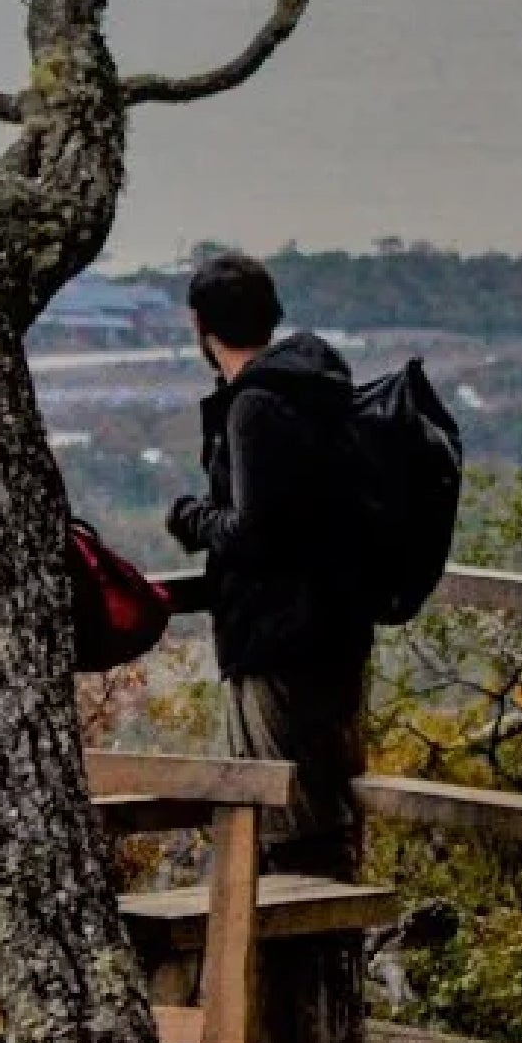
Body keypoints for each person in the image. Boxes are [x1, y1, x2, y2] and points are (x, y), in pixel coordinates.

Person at [161, 252, 371, 879]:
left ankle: (288, 962)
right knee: (329, 805)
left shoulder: (254, 406)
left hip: (276, 635)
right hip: (337, 624)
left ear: (201, 327)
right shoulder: (317, 388)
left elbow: (255, 529)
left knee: (282, 812)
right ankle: (330, 959)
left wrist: (191, 519)